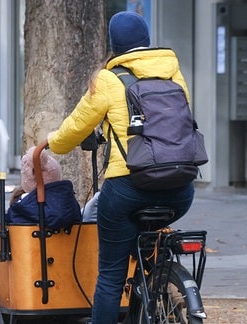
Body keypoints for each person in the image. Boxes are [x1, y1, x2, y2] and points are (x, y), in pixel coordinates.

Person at [46, 11, 195, 323]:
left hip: (129, 188)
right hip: (181, 189)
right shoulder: (173, 74)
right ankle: (154, 282)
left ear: (113, 45)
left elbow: (75, 126)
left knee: (111, 274)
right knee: (144, 242)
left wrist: (52, 143)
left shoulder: (109, 79)